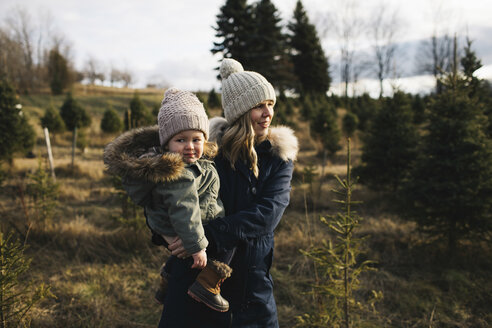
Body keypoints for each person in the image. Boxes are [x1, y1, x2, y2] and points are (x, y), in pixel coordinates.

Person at [159, 58, 298, 327]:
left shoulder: (279, 159)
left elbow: (267, 215)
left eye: (270, 105)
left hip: (252, 280)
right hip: (199, 274)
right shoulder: (209, 154)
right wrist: (164, 233)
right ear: (241, 112)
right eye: (259, 106)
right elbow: (169, 194)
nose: (268, 113)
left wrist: (204, 235)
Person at [103, 88, 236, 312]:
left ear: (205, 138)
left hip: (176, 227)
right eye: (180, 140)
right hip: (186, 228)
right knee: (228, 243)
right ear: (167, 144)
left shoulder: (193, 164)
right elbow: (185, 210)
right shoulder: (180, 173)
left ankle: (168, 275)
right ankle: (207, 285)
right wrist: (197, 247)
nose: (190, 146)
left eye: (196, 139)